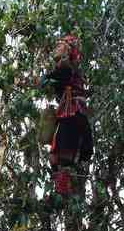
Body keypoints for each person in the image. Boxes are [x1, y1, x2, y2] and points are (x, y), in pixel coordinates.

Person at [40, 34, 94, 196]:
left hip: (71, 115)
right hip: (76, 116)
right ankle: (63, 189)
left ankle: (62, 192)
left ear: (68, 50)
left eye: (60, 45)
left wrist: (39, 79)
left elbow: (46, 82)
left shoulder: (65, 68)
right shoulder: (71, 68)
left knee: (58, 157)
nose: (56, 48)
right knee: (62, 158)